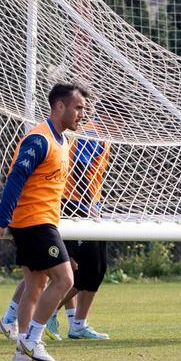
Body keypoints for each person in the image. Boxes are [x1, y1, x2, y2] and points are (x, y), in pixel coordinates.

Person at [0, 83, 88, 361]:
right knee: (65, 279)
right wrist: (2, 220)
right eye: (78, 108)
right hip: (34, 222)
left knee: (34, 285)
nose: (81, 114)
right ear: (60, 106)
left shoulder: (63, 141)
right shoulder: (39, 139)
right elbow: (16, 177)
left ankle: (22, 351)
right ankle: (33, 340)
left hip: (43, 221)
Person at [59, 113, 113, 340]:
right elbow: (79, 168)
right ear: (116, 117)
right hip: (75, 204)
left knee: (97, 268)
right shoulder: (92, 133)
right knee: (87, 267)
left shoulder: (104, 135)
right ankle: (49, 313)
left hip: (88, 205)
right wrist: (89, 203)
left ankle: (78, 324)